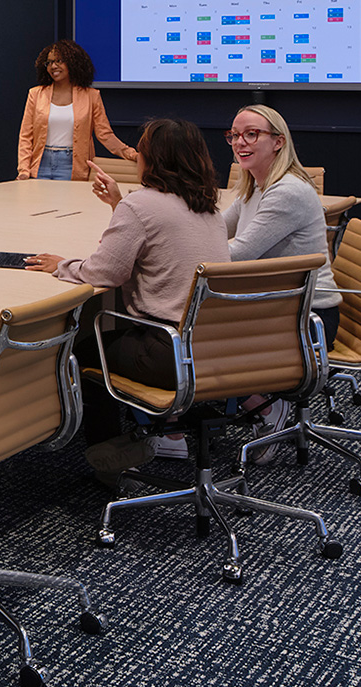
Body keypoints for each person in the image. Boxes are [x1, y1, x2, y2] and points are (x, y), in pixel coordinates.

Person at [26, 117, 227, 484]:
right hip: (213, 348)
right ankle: (153, 433)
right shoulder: (208, 208)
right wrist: (119, 204)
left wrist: (62, 265)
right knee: (108, 342)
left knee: (83, 352)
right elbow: (160, 237)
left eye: (141, 151)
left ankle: (112, 460)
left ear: (153, 159)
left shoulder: (142, 205)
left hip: (166, 351)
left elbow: (104, 273)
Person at [222, 103, 340, 449]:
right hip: (280, 306)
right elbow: (217, 230)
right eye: (235, 135)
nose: (240, 142)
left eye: (251, 134)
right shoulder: (254, 186)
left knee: (199, 335)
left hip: (308, 320)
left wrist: (177, 254)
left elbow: (237, 254)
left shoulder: (287, 191)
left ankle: (264, 407)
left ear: (278, 141)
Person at [17, 40, 138, 181]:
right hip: (40, 164)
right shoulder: (35, 94)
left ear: (73, 63)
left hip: (72, 165)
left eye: (59, 61)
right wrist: (24, 170)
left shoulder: (91, 96)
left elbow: (105, 135)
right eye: (49, 62)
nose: (53, 66)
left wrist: (131, 154)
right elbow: (25, 136)